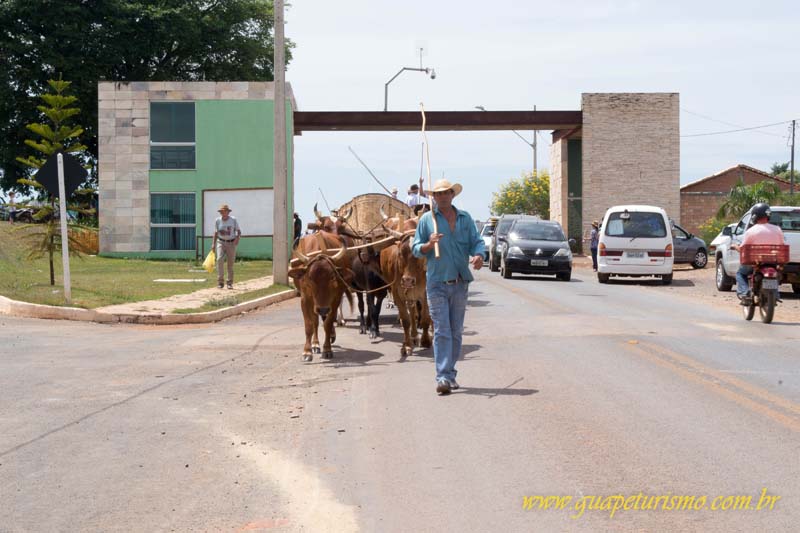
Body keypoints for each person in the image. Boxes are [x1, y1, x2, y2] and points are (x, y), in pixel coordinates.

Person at [412, 179, 485, 395]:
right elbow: (416, 248)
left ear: (453, 195)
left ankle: (451, 373)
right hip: (436, 283)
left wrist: (479, 255)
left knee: (455, 332)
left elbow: (476, 242)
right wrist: (428, 244)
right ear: (433, 197)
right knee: (442, 330)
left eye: (446, 193)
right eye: (438, 194)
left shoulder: (465, 218)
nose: (442, 197)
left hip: (460, 282)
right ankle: (442, 377)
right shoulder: (427, 220)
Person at [731, 202, 785, 305]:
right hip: (772, 262)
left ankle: (745, 292)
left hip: (756, 263)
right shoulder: (777, 230)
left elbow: (743, 249)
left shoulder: (751, 231)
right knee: (776, 273)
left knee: (740, 273)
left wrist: (734, 246)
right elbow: (782, 245)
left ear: (755, 216)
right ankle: (776, 294)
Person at [213, 204, 241, 289]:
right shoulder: (217, 220)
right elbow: (215, 233)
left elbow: (239, 231)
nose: (223, 213)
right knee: (219, 260)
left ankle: (229, 282)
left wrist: (237, 239)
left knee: (230, 263)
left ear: (228, 212)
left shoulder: (233, 220)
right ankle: (220, 282)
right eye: (222, 212)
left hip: (231, 242)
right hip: (221, 242)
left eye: (225, 211)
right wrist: (213, 244)